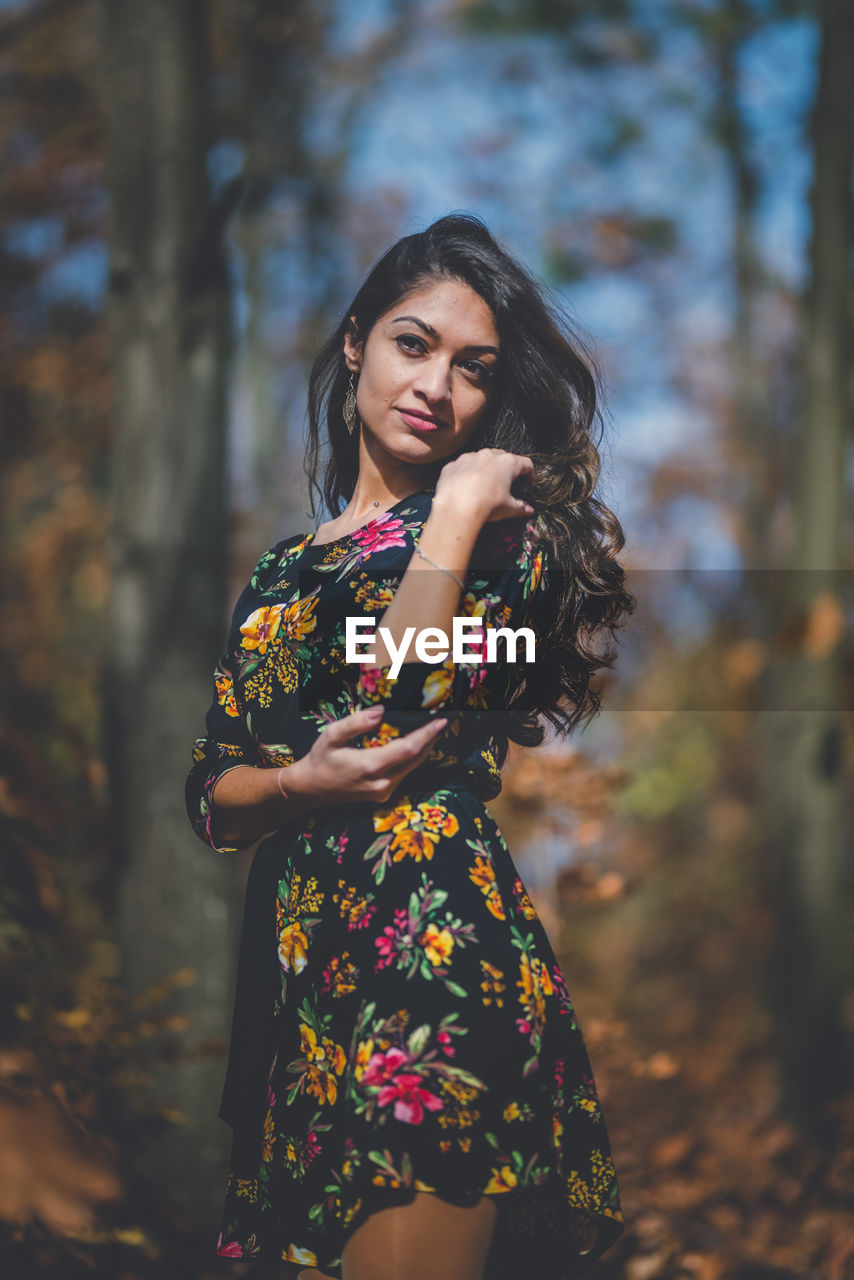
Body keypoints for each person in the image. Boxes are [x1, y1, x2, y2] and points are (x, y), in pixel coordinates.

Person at [186, 212, 634, 1280]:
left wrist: (462, 507)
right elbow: (210, 794)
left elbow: (404, 695)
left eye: (472, 368)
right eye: (411, 343)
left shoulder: (507, 541)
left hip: (431, 948)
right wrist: (296, 780)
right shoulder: (282, 572)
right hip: (301, 973)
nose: (436, 384)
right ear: (354, 344)